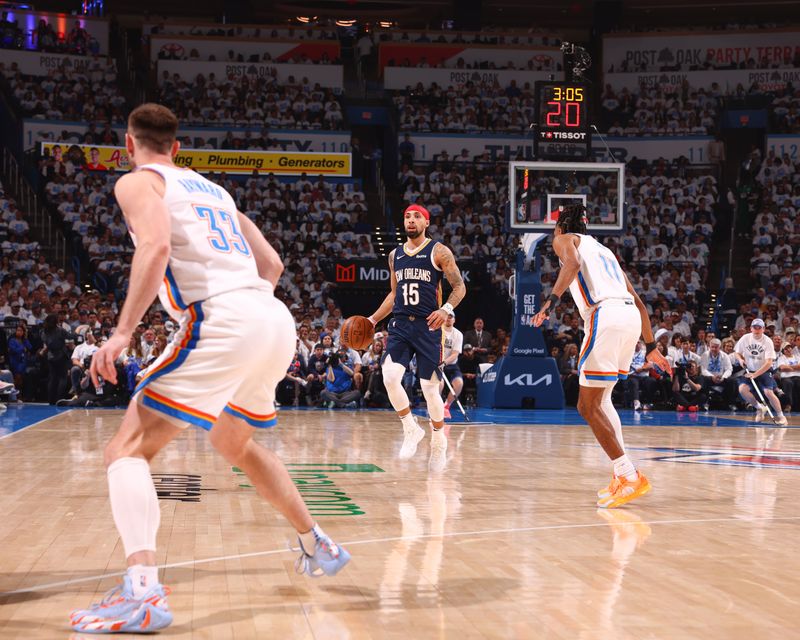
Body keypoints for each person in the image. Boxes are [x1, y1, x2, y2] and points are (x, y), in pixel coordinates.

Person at [70, 104, 349, 635]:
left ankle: (143, 593)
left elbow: (154, 246)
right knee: (234, 443)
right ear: (178, 148)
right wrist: (248, 315)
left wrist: (123, 332)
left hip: (225, 317)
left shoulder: (137, 183)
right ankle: (318, 542)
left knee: (125, 450)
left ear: (129, 145)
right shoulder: (215, 191)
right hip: (272, 318)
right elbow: (272, 265)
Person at [532, 204, 671, 509]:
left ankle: (629, 473)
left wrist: (549, 304)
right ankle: (622, 475)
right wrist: (650, 346)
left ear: (561, 227)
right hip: (629, 317)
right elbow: (637, 301)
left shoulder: (565, 239)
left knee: (586, 405)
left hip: (604, 315)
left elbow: (570, 265)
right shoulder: (606, 251)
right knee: (603, 400)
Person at [366, 203, 466, 472]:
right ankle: (410, 428)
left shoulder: (438, 251)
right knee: (389, 376)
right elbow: (393, 294)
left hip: (428, 327)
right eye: (407, 216)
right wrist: (373, 319)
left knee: (430, 389)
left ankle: (437, 439)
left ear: (426, 222)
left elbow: (459, 286)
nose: (411, 220)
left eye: (416, 217)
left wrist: (445, 309)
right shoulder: (394, 255)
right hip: (399, 325)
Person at [734, 318, 787, 425]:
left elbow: (768, 363)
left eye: (759, 328)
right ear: (751, 328)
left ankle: (781, 416)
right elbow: (737, 352)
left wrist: (755, 374)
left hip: (764, 370)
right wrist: (740, 359)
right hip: (750, 370)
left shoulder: (767, 341)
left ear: (763, 329)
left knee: (768, 392)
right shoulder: (745, 338)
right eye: (755, 327)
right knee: (742, 389)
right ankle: (760, 408)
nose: (757, 330)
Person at [439, 311, 464, 419]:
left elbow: (455, 354)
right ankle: (437, 407)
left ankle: (446, 406)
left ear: (454, 320)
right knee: (440, 384)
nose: (448, 319)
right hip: (437, 363)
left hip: (451, 364)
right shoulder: (437, 330)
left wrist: (444, 363)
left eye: (451, 317)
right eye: (447, 317)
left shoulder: (458, 334)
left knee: (459, 384)